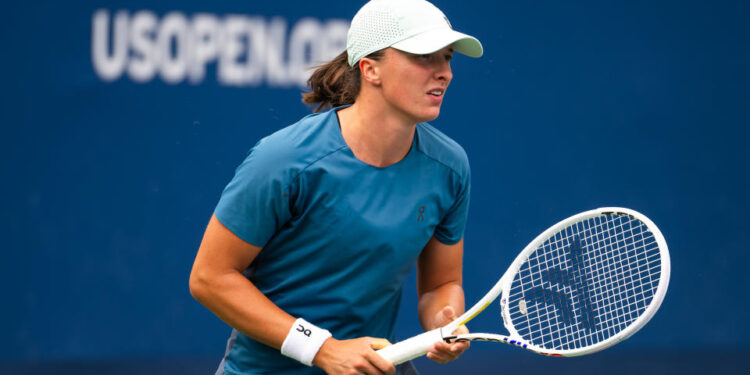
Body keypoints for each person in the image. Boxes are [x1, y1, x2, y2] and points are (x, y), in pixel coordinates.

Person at [189, 0, 483, 374]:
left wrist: (445, 318)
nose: (445, 73)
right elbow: (209, 278)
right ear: (370, 69)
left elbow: (441, 284)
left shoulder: (449, 167)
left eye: (447, 57)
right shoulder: (284, 160)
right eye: (425, 57)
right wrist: (322, 349)